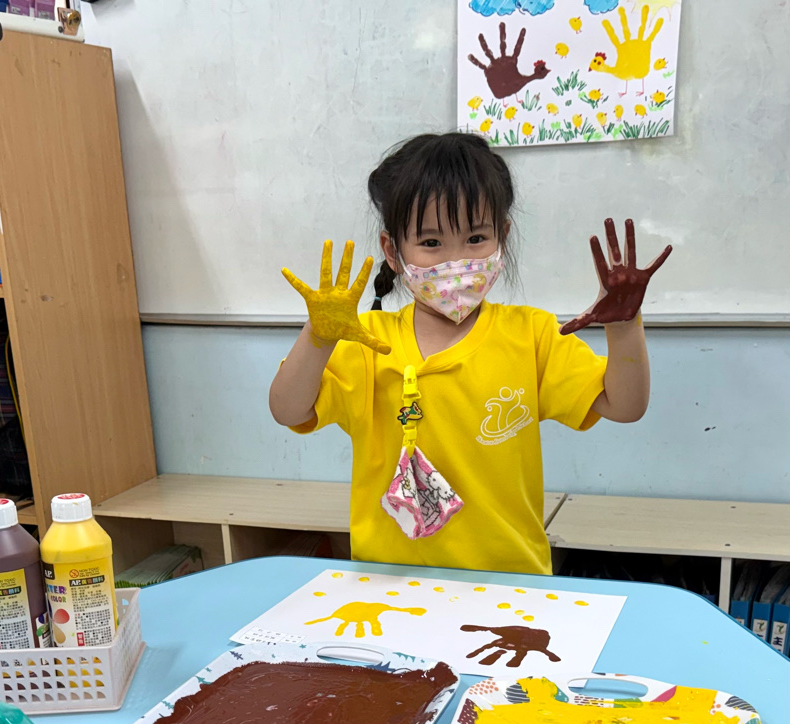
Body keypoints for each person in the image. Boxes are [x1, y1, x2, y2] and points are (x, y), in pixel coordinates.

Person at [269, 132, 672, 575]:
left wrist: (624, 325)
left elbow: (626, 406)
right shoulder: (368, 342)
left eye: (476, 237)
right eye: (431, 243)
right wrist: (318, 337)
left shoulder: (531, 335)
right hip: (391, 585)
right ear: (392, 251)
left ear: (502, 236)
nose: (456, 261)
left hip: (510, 584)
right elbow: (288, 410)